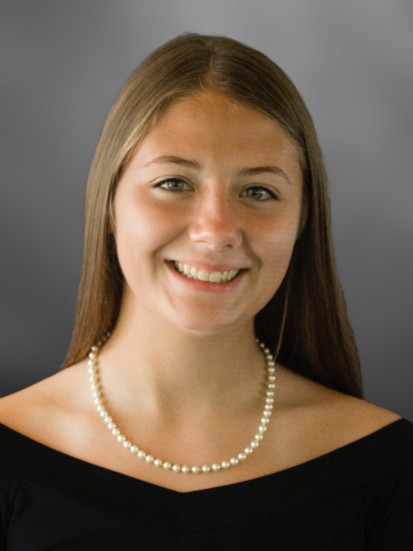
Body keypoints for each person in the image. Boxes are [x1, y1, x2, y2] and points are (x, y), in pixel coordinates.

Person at [0, 33, 412, 549]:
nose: (216, 232)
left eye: (258, 191)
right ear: (109, 202)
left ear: (303, 221)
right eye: (174, 183)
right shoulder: (11, 446)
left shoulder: (389, 467)